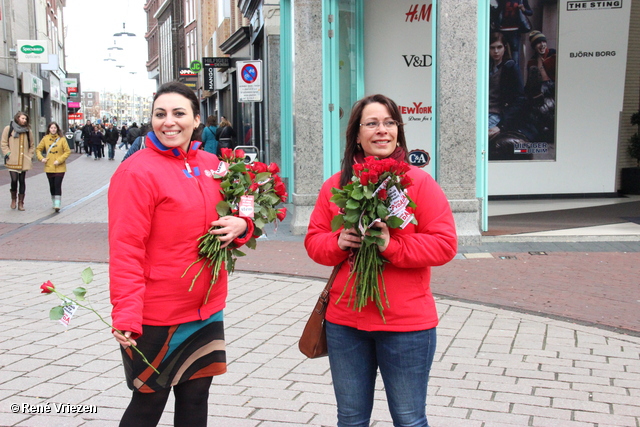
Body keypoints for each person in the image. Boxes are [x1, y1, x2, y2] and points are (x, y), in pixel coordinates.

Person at [304, 94, 458, 427]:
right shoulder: (336, 186)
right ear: (356, 135)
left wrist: (392, 246)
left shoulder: (419, 184)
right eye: (372, 123)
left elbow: (444, 245)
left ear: (399, 131)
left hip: (406, 326)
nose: (382, 130)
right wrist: (338, 242)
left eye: (389, 123)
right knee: (351, 418)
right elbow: (314, 242)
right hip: (346, 323)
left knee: (408, 418)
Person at [108, 81, 255, 427]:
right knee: (149, 402)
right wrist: (126, 314)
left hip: (205, 308)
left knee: (196, 397)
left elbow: (242, 213)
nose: (168, 122)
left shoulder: (212, 164)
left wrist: (242, 226)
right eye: (160, 114)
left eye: (178, 113)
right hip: (156, 313)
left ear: (196, 119)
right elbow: (126, 247)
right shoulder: (136, 171)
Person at [488, 31, 527, 139]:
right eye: (492, 48)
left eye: (499, 47)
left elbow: (520, 99)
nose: (496, 51)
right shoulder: (486, 67)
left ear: (504, 48)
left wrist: (501, 125)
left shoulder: (510, 67)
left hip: (498, 115)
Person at [1, 112, 35, 211]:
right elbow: (3, 143)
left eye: (25, 119)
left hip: (23, 160)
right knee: (14, 180)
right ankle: (13, 199)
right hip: (13, 160)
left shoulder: (28, 131)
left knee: (22, 181)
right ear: (18, 118)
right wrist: (8, 154)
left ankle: (21, 202)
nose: (24, 120)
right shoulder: (9, 129)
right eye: (22, 118)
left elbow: (32, 145)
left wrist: (29, 156)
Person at [36, 122, 71, 212]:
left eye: (55, 128)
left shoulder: (62, 139)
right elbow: (38, 149)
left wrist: (59, 160)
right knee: (52, 185)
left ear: (57, 129)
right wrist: (41, 158)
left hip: (60, 167)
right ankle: (53, 201)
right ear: (49, 129)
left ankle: (57, 204)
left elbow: (67, 151)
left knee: (57, 184)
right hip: (49, 166)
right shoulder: (45, 139)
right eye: (51, 128)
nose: (53, 129)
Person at [496, 0, 533, 67]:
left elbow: (530, 12)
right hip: (502, 30)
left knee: (515, 54)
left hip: (515, 30)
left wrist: (523, 9)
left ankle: (514, 72)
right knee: (500, 53)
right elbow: (497, 10)